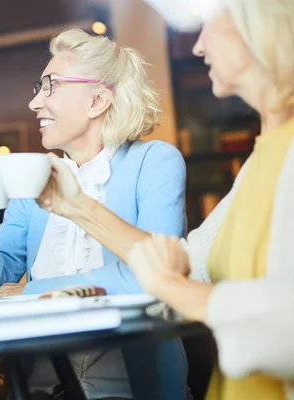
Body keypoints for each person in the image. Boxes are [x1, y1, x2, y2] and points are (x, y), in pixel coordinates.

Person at [40, 1, 294, 399]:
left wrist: (173, 290)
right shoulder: (265, 157)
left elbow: (285, 327)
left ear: (260, 27)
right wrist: (75, 206)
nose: (197, 46)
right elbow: (186, 262)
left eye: (210, 24)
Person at [0, 29, 188, 399]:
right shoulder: (35, 176)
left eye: (50, 86)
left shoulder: (155, 162)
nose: (35, 103)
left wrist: (31, 292)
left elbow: (150, 277)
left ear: (97, 101)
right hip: (39, 390)